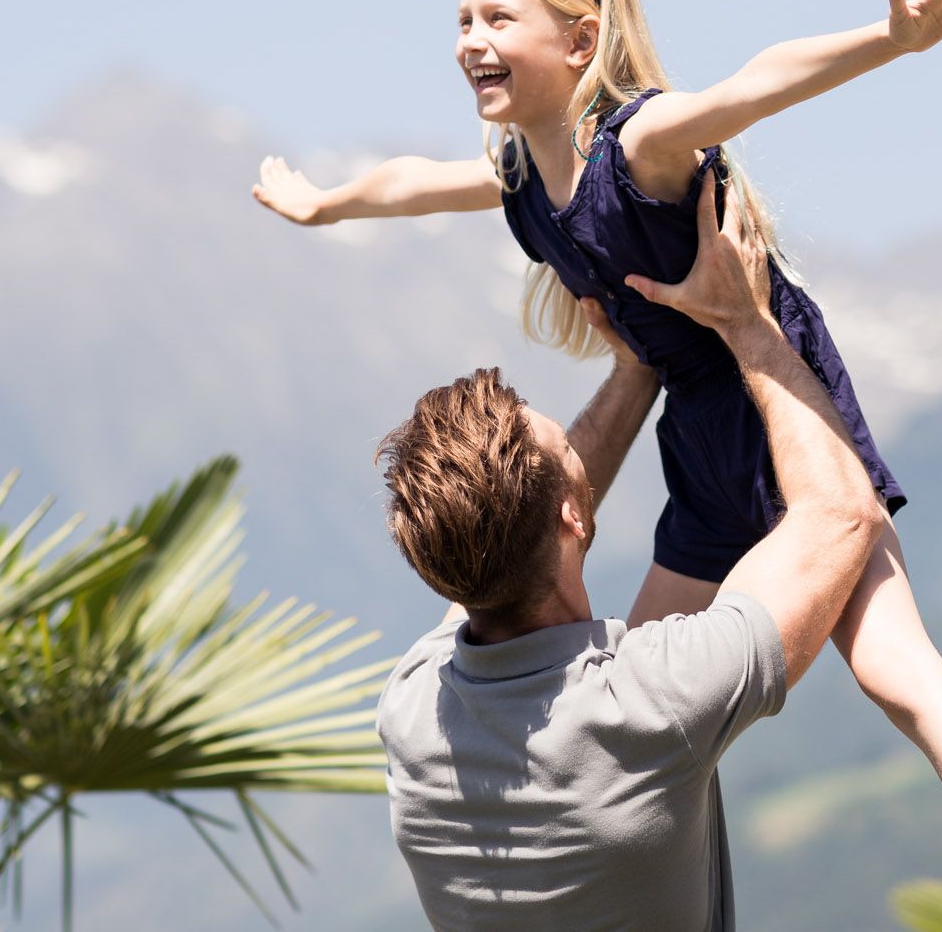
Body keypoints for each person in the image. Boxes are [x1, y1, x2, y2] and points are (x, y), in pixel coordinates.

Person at [260, 0, 942, 930]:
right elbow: (411, 182)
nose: (470, 39)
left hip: (781, 406)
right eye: (461, 19)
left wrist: (896, 42)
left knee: (898, 673)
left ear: (580, 43)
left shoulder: (636, 148)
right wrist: (328, 207)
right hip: (698, 435)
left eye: (497, 17)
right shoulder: (525, 180)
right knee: (629, 687)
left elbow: (753, 84)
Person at [374, 168, 887, 929]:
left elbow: (500, 529)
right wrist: (747, 324)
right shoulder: (651, 702)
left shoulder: (417, 706)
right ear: (574, 518)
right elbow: (846, 512)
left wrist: (636, 369)